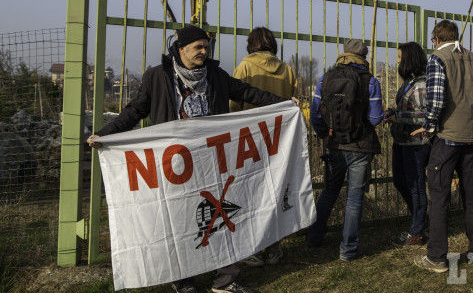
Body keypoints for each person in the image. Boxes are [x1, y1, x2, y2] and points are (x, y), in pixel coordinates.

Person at [88, 25, 294, 293]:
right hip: (175, 164)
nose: (203, 51)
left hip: (211, 161)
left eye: (206, 47)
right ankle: (183, 280)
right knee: (181, 220)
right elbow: (135, 110)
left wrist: (284, 104)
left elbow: (248, 93)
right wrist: (105, 135)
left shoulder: (217, 76)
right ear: (181, 48)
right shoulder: (157, 76)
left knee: (219, 217)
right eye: (198, 47)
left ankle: (226, 279)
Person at [410, 20, 473, 273]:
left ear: (436, 39)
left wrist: (429, 125)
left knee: (440, 197)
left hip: (446, 138)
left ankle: (437, 257)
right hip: (472, 137)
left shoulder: (437, 58)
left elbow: (436, 98)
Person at [307, 39, 383, 261]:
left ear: (343, 54)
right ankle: (348, 250)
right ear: (364, 57)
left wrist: (324, 133)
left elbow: (315, 114)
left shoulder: (326, 78)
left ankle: (314, 237)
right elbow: (376, 117)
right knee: (354, 197)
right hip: (360, 148)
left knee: (329, 191)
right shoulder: (371, 81)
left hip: (334, 145)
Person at [231, 27, 297, 267]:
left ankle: (252, 248)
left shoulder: (245, 67)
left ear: (251, 44)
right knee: (274, 192)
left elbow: (233, 104)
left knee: (250, 193)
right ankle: (274, 248)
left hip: (250, 140)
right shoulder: (288, 70)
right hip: (279, 140)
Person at [384, 42, 430, 247]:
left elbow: (425, 116)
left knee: (416, 186)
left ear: (409, 59)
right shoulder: (408, 82)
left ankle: (417, 231)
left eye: (400, 57)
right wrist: (392, 113)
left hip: (416, 143)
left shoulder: (422, 84)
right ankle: (420, 220)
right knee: (401, 181)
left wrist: (398, 117)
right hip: (402, 140)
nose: (398, 61)